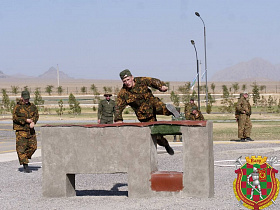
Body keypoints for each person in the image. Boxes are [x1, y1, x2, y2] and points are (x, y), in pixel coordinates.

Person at [114, 69, 180, 155]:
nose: (127, 82)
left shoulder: (141, 81)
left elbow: (152, 81)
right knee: (156, 136)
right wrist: (118, 119)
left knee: (161, 107)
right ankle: (166, 145)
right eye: (124, 81)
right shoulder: (123, 93)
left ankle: (171, 112)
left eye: (128, 80)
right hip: (144, 115)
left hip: (152, 104)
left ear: (132, 77)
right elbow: (118, 107)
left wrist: (161, 86)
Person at [12, 90, 39, 173]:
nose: (27, 100)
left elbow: (36, 115)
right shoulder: (17, 107)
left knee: (33, 147)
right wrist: (25, 120)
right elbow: (15, 118)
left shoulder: (32, 106)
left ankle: (25, 158)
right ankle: (25, 164)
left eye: (28, 99)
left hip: (30, 130)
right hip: (21, 130)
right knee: (21, 149)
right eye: (25, 99)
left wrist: (33, 121)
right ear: (21, 98)